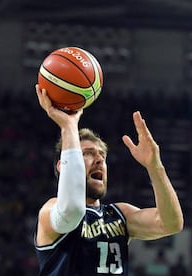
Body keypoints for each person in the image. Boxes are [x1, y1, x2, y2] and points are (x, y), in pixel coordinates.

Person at [33, 84, 184, 275]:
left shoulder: (120, 215)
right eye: (87, 154)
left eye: (102, 156)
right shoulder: (50, 211)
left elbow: (171, 223)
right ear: (63, 165)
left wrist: (154, 166)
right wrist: (68, 126)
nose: (99, 160)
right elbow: (71, 210)